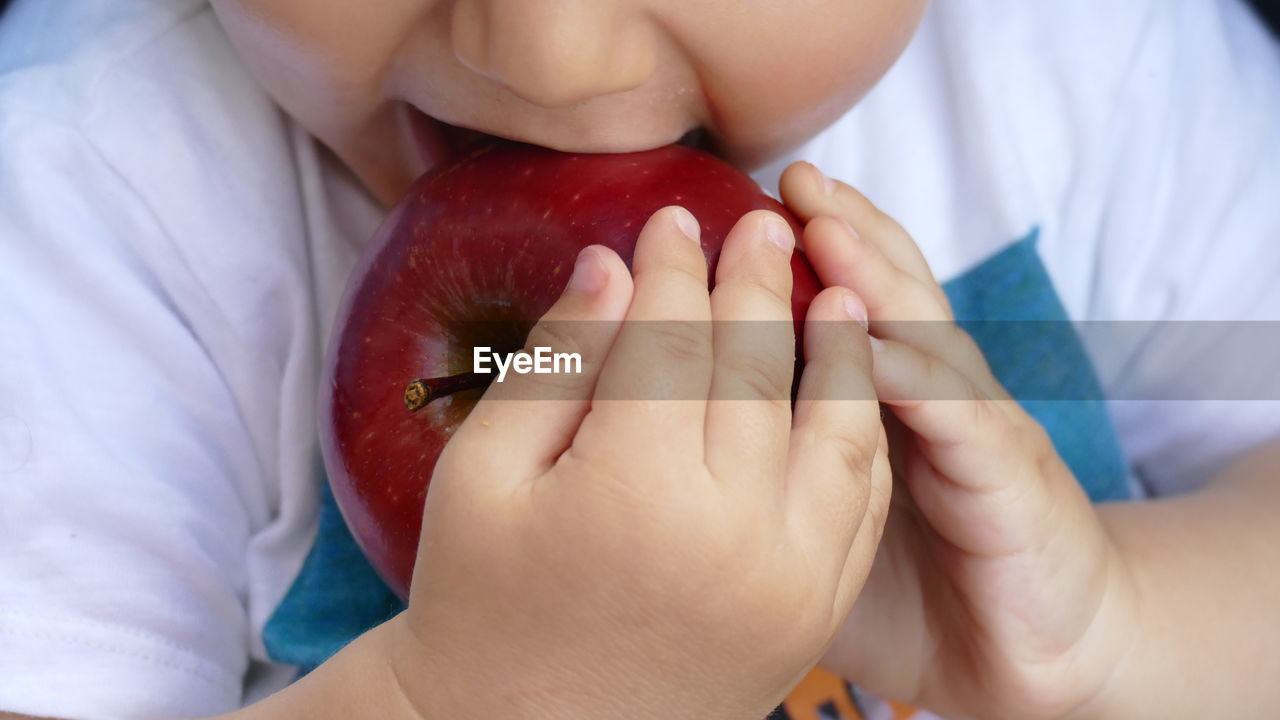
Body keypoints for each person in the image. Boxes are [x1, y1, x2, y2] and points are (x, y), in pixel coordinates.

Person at [1, 0, 1278, 718]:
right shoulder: (87, 201)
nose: (549, 53)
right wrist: (476, 700)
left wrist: (1108, 625)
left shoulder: (1082, 52)